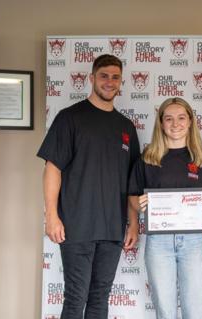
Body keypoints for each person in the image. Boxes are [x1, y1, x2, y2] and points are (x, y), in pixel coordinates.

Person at [37, 54, 140, 319]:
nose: (109, 82)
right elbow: (53, 168)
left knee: (99, 298)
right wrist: (51, 216)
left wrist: (133, 222)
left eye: (115, 77)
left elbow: (132, 182)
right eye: (104, 75)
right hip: (77, 225)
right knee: (75, 298)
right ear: (91, 78)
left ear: (121, 82)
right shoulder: (70, 118)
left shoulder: (126, 127)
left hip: (112, 229)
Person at [128, 97, 202, 319]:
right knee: (165, 311)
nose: (175, 123)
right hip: (158, 243)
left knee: (195, 310)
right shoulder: (147, 159)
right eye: (169, 118)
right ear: (161, 123)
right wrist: (138, 204)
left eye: (181, 118)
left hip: (193, 242)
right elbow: (132, 196)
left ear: (190, 122)